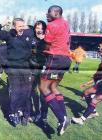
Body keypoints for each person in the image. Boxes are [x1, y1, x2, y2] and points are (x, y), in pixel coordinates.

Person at [0, 18, 35, 126]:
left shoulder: (28, 33)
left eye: (23, 26)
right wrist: (3, 23)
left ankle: (25, 114)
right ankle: (14, 113)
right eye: (19, 26)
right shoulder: (8, 35)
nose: (22, 28)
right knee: (15, 92)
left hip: (26, 68)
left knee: (26, 92)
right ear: (14, 27)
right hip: (14, 68)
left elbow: (39, 31)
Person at [39, 5, 71, 135]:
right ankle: (63, 117)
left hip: (55, 59)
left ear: (56, 13)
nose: (46, 14)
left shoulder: (52, 25)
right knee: (53, 87)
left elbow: (47, 43)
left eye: (49, 12)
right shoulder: (65, 23)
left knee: (43, 87)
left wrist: (41, 48)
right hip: (65, 60)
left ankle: (61, 118)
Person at [72, 46, 102, 125]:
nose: (101, 50)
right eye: (101, 49)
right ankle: (93, 112)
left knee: (95, 99)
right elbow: (97, 76)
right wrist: (87, 83)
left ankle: (81, 119)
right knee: (86, 93)